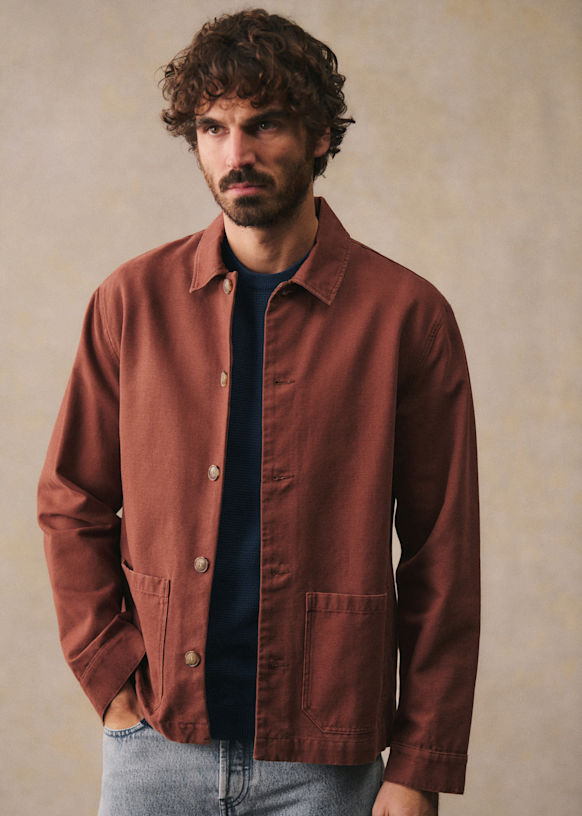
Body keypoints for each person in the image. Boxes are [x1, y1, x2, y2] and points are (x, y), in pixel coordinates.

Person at [38, 9, 480, 816]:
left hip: (326, 758)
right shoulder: (131, 303)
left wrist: (418, 766)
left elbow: (442, 554)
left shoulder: (406, 318)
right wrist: (112, 684)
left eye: (264, 123)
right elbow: (71, 500)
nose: (235, 153)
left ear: (319, 136)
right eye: (213, 128)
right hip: (155, 744)